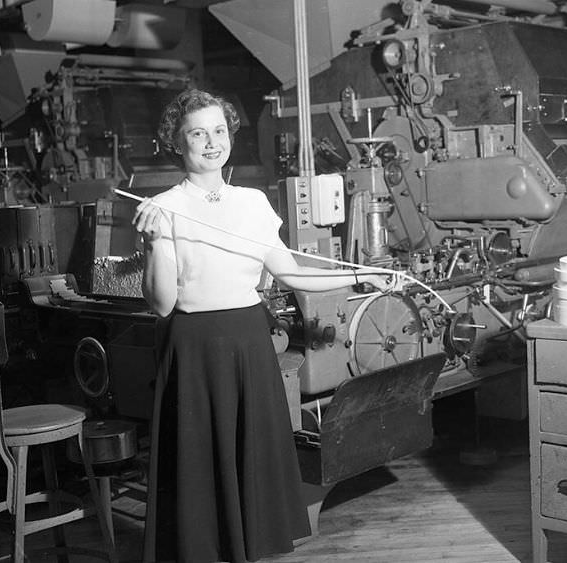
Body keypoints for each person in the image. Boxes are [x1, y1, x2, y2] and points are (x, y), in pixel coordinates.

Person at [133, 88, 395, 562]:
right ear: (177, 141)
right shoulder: (164, 207)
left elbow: (290, 272)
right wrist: (153, 244)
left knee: (249, 457)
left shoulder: (252, 202)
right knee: (202, 462)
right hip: (195, 347)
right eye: (198, 133)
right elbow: (162, 303)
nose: (211, 142)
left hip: (249, 342)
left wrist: (360, 274)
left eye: (219, 131)